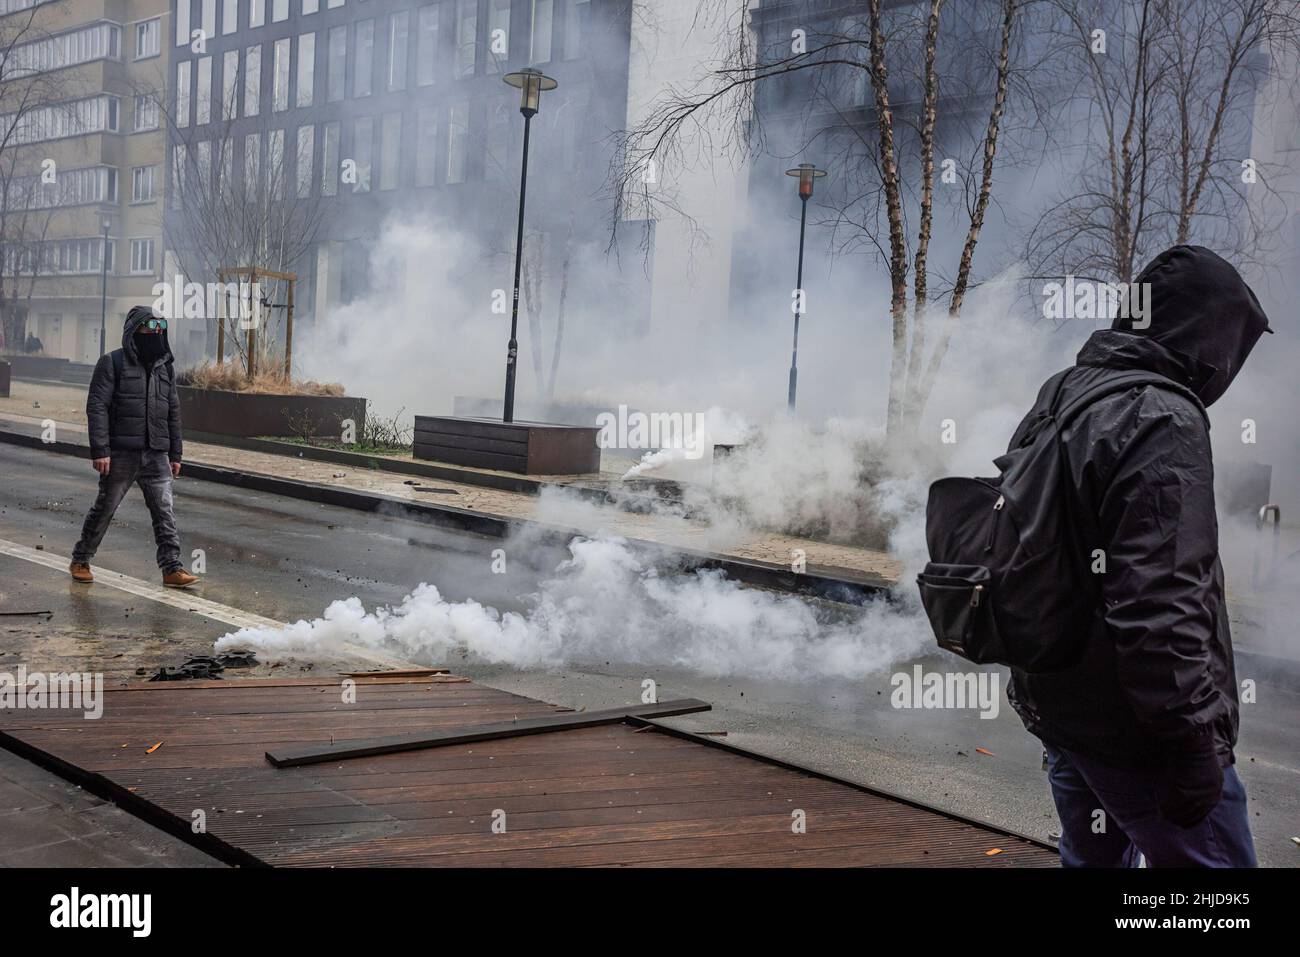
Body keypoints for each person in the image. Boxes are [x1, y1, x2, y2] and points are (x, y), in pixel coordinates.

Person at [1007, 245, 1270, 868]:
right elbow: (1160, 599)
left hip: (1062, 704)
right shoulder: (1163, 417)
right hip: (1137, 731)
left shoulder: (1067, 391)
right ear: (1208, 334)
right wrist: (1193, 741)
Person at [70, 306, 199, 589]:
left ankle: (172, 568)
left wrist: (175, 454)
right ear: (133, 332)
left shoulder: (165, 367)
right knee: (106, 508)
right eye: (148, 329)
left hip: (157, 454)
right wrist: (100, 450)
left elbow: (173, 412)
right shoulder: (112, 363)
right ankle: (81, 559)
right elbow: (97, 407)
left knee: (165, 512)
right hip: (120, 454)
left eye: (159, 330)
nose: (154, 335)